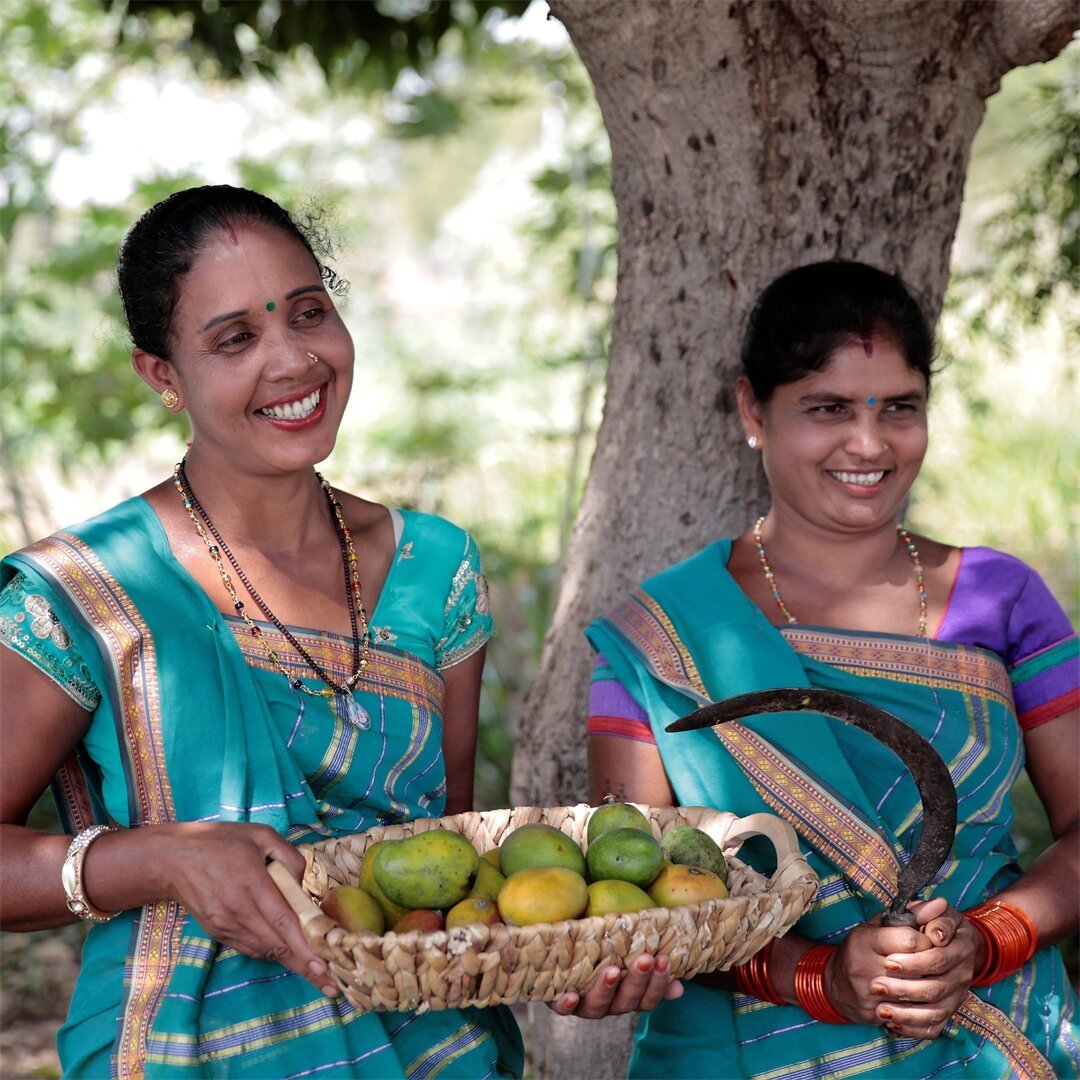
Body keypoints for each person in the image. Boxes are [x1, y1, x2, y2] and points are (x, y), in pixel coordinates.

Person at [0, 185, 524, 1078]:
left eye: (309, 313)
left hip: (432, 1050)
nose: (292, 360)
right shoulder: (89, 590)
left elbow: (449, 852)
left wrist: (578, 946)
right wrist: (160, 859)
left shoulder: (436, 568)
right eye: (235, 338)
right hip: (181, 1053)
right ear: (162, 375)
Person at [573, 261, 1079, 1076]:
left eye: (900, 409)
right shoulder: (665, 638)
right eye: (828, 408)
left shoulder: (1001, 599)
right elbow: (640, 893)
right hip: (740, 1047)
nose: (870, 444)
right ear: (752, 409)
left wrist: (984, 941)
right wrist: (822, 977)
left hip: (989, 1033)